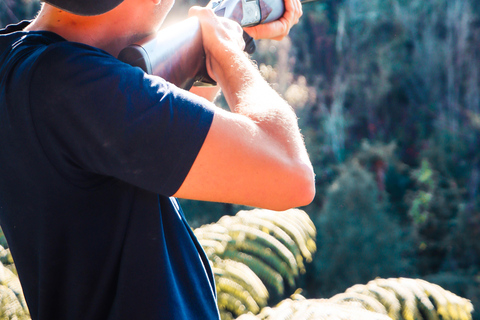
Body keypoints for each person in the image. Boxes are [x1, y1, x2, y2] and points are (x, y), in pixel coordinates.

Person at [0, 0, 315, 318]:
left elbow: (177, 151)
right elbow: (291, 174)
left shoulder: (22, 64)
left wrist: (213, 53)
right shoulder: (77, 84)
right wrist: (229, 53)